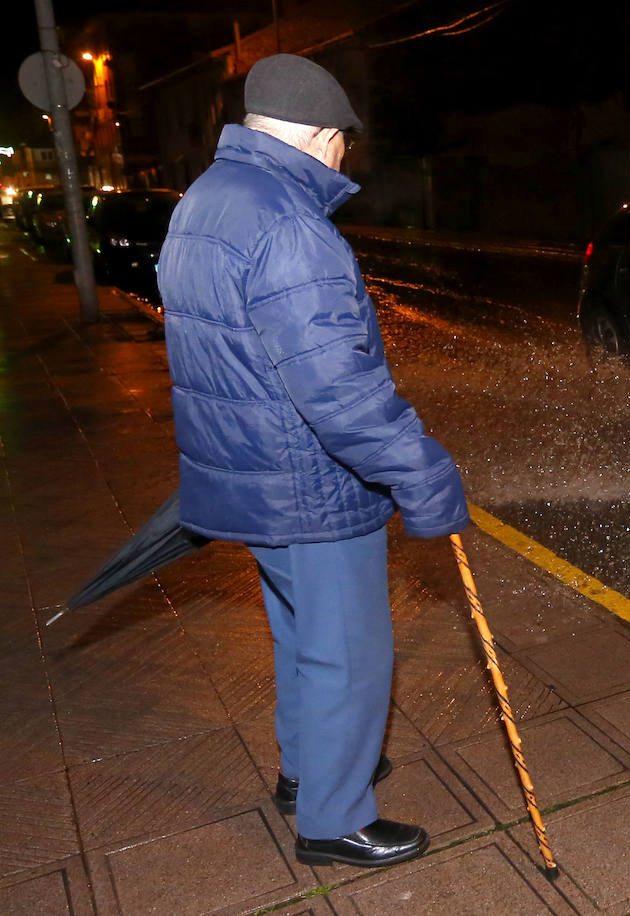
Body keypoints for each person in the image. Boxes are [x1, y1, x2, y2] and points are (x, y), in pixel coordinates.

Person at [157, 54, 469, 869]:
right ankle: (334, 820)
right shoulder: (291, 224)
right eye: (343, 146)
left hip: (251, 473)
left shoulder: (206, 201)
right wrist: (422, 470)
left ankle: (308, 773)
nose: (344, 161)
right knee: (350, 649)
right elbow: (339, 387)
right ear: (324, 138)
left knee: (303, 637)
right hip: (308, 482)